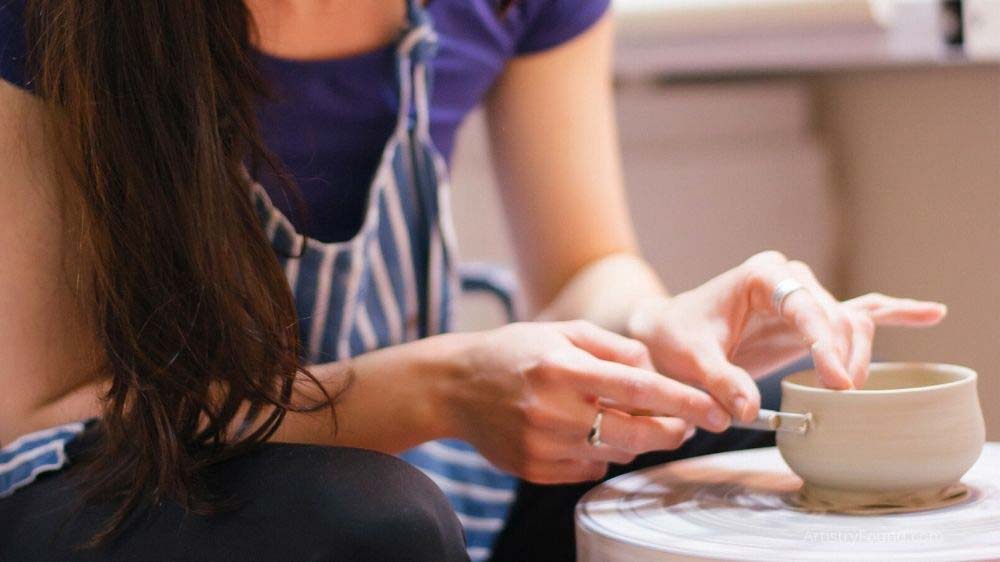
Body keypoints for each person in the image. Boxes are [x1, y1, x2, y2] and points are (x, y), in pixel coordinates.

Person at [0, 1, 946, 560]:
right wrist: (437, 387)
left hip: (393, 434)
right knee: (369, 522)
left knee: (740, 430)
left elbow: (583, 265)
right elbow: (49, 410)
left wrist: (656, 328)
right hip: (110, 464)